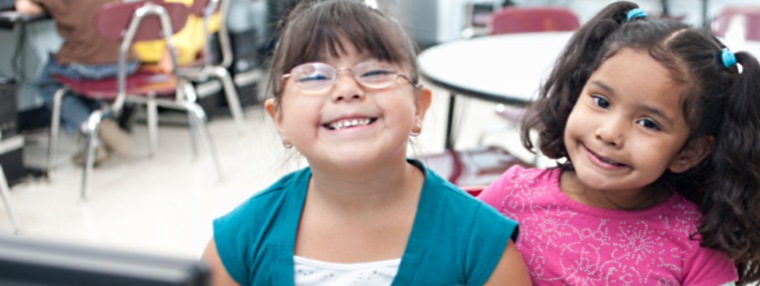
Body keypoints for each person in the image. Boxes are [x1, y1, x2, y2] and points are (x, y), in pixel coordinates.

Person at [200, 1, 531, 285]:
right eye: (314, 75)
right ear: (279, 119)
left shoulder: (481, 245)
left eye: (374, 72)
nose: (346, 88)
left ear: (419, 107)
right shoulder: (239, 242)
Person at [477, 2, 760, 285]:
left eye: (648, 123)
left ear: (690, 151)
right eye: (600, 101)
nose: (610, 133)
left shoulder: (699, 246)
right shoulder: (510, 197)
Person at [16, 0, 135, 165]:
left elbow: (23, 7)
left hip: (90, 64)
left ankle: (93, 132)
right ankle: (103, 125)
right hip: (126, 60)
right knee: (76, 83)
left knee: (47, 82)